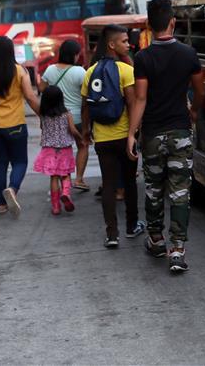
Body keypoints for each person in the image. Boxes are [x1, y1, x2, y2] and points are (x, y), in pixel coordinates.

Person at [128, 0, 205, 273]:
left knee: (154, 188)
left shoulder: (143, 58)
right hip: (180, 132)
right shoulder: (188, 54)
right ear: (172, 21)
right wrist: (193, 112)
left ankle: (157, 240)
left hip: (152, 134)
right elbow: (200, 91)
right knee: (180, 191)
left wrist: (131, 134)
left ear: (149, 24)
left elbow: (140, 99)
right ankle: (177, 250)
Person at [81, 24, 143, 248]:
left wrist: (86, 132)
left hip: (103, 138)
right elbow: (133, 102)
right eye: (125, 41)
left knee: (108, 184)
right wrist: (133, 133)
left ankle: (112, 234)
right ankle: (132, 225)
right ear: (112, 44)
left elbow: (85, 106)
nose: (129, 44)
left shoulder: (90, 71)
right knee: (129, 182)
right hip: (124, 136)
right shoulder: (125, 70)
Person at [0, 36, 40, 216]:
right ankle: (13, 190)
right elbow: (31, 97)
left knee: (0, 163)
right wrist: (43, 116)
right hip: (15, 124)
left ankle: (1, 204)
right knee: (20, 161)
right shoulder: (19, 71)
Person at [40, 40, 90, 192]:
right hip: (76, 117)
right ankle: (79, 178)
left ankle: (59, 175)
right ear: (74, 55)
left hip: (56, 117)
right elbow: (86, 95)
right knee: (82, 145)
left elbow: (42, 89)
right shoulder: (81, 72)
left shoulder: (50, 70)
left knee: (59, 148)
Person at [33, 85, 84, 215]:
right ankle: (66, 193)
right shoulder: (67, 114)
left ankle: (56, 207)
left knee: (54, 177)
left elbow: (42, 128)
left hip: (49, 149)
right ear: (61, 99)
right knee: (65, 174)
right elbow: (72, 130)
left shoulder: (43, 115)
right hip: (65, 149)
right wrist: (80, 137)